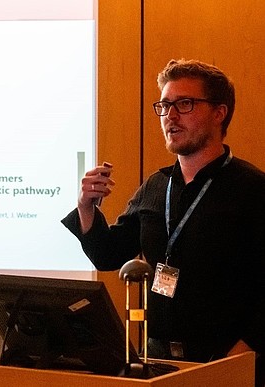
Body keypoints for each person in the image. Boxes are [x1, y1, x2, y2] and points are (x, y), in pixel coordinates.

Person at [61, 59, 265, 386]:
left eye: (185, 104)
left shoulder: (252, 189)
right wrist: (86, 206)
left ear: (219, 112)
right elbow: (108, 255)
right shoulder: (157, 186)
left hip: (228, 364)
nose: (170, 116)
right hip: (157, 363)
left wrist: (236, 359)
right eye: (165, 105)